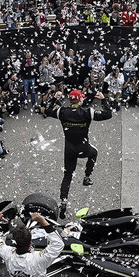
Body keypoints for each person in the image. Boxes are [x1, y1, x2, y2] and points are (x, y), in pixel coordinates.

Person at [44, 89, 112, 219]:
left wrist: (54, 98)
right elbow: (108, 114)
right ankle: (86, 177)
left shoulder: (62, 112)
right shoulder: (87, 112)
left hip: (69, 149)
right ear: (80, 100)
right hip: (83, 147)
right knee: (94, 153)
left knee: (67, 176)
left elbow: (46, 110)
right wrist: (103, 100)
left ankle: (63, 201)